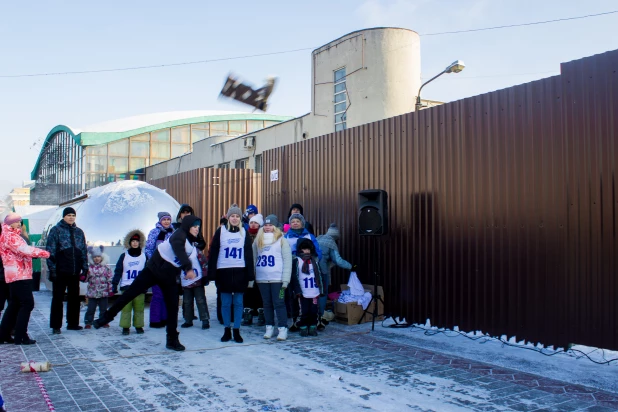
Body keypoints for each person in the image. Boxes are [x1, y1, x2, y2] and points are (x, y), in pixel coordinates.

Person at [94, 215, 204, 351]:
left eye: (198, 227)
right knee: (130, 293)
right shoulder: (179, 235)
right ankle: (106, 317)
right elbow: (178, 249)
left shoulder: (191, 241)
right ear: (187, 226)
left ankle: (172, 340)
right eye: (194, 226)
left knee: (173, 307)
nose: (197, 229)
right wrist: (187, 267)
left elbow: (185, 255)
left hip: (169, 276)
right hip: (153, 270)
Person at [0, 213, 50, 345]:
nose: (19, 224)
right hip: (19, 275)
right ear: (9, 223)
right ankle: (20, 336)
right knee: (27, 304)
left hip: (17, 274)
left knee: (14, 305)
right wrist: (46, 253)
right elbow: (24, 250)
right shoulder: (10, 236)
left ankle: (4, 335)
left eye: (20, 222)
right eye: (16, 222)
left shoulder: (11, 235)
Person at [208, 204, 254, 343]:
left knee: (239, 302)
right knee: (226, 302)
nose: (234, 218)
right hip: (224, 271)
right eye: (232, 216)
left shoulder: (244, 233)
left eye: (237, 216)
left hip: (240, 271)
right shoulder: (220, 231)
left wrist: (250, 275)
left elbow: (248, 254)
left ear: (241, 218)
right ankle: (227, 330)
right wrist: (212, 273)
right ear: (228, 217)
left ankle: (237, 330)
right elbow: (214, 252)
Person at [47, 207, 88, 334]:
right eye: (69, 215)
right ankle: (56, 325)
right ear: (64, 216)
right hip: (60, 271)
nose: (71, 217)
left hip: (74, 271)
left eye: (73, 215)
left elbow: (83, 251)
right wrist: (52, 270)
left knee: (74, 298)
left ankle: (73, 323)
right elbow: (50, 251)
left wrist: (85, 268)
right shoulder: (56, 230)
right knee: (58, 298)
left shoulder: (79, 232)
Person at [253, 215, 292, 341]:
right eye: (266, 225)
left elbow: (287, 260)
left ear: (275, 226)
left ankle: (282, 328)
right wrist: (251, 277)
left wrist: (286, 279)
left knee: (279, 303)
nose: (268, 227)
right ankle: (269, 327)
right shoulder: (258, 240)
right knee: (267, 304)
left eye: (270, 225)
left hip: (278, 279)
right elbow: (253, 258)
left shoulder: (282, 240)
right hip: (262, 279)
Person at [284, 213, 322, 331]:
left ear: (302, 223)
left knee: (309, 296)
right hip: (292, 268)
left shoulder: (309, 236)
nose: (295, 223)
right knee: (294, 295)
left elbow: (317, 251)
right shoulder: (286, 237)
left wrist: (313, 261)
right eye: (292, 221)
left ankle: (312, 320)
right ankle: (295, 320)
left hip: (308, 268)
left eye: (297, 221)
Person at [316, 223, 354, 331]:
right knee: (322, 293)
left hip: (310, 270)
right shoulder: (331, 243)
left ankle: (311, 315)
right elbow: (338, 261)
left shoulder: (319, 238)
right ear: (336, 237)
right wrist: (351, 266)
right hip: (322, 271)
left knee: (312, 293)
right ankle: (320, 316)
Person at [174, 204, 206, 322]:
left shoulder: (195, 227)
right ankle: (187, 316)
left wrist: (196, 246)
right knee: (185, 294)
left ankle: (200, 317)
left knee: (199, 296)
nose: (186, 214)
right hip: (180, 263)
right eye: (184, 212)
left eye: (188, 212)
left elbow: (202, 242)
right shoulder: (176, 227)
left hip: (194, 263)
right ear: (180, 214)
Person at [112, 230, 147, 335]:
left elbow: (148, 272)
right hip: (126, 286)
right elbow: (118, 270)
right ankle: (125, 327)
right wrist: (114, 284)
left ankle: (139, 326)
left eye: (137, 241)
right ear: (129, 242)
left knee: (139, 308)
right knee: (126, 308)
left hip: (139, 287)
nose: (135, 243)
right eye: (133, 241)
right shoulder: (124, 256)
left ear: (140, 242)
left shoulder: (144, 256)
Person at [145, 212, 174, 328]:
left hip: (169, 267)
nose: (166, 221)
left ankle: (165, 318)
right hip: (157, 267)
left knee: (167, 294)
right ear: (160, 221)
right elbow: (149, 249)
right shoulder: (154, 232)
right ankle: (155, 319)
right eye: (164, 219)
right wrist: (154, 262)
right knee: (157, 294)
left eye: (168, 219)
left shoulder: (173, 232)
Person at [289, 238, 324, 337]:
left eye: (308, 249)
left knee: (313, 311)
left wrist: (321, 289)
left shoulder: (314, 261)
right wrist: (297, 290)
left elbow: (319, 275)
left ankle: (312, 326)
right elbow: (294, 277)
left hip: (314, 291)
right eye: (304, 249)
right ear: (300, 249)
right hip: (303, 291)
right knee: (303, 311)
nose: (307, 251)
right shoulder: (297, 261)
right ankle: (303, 327)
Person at [180, 240, 210, 330]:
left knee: (200, 300)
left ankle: (205, 319)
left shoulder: (196, 251)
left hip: (197, 281)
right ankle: (188, 320)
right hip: (185, 282)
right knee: (187, 302)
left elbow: (204, 263)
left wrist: (205, 276)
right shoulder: (178, 253)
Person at [242, 213, 265, 327]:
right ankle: (248, 313)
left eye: (256, 222)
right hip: (248, 268)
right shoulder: (245, 235)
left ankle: (261, 314)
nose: (253, 224)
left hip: (260, 268)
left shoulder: (263, 237)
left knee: (259, 292)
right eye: (251, 222)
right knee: (248, 292)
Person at [84, 246, 112, 330]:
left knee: (103, 309)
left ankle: (103, 321)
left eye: (98, 257)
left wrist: (110, 290)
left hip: (103, 292)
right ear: (92, 258)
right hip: (92, 292)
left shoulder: (106, 268)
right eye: (95, 257)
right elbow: (86, 279)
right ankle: (88, 322)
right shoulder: (89, 268)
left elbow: (109, 279)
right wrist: (83, 277)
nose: (97, 258)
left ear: (102, 257)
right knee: (91, 309)